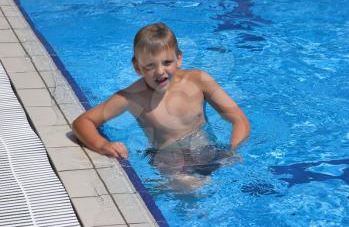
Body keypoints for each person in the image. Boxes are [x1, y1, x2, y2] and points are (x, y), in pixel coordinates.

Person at [73, 23, 250, 189]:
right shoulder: (131, 97)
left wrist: (232, 150)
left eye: (167, 62)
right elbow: (83, 122)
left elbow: (239, 119)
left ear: (178, 58)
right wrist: (102, 144)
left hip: (208, 152)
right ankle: (163, 188)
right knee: (191, 191)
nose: (160, 71)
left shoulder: (199, 80)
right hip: (170, 164)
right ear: (137, 67)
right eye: (150, 66)